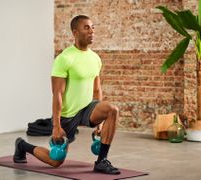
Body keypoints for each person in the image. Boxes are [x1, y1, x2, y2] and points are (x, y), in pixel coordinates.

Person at [13, 15, 120, 175]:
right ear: (75, 32)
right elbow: (57, 94)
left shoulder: (95, 58)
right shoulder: (64, 59)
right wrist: (56, 126)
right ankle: (22, 146)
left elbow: (97, 90)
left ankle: (101, 161)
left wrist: (100, 124)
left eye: (93, 27)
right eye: (87, 28)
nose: (92, 31)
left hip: (87, 109)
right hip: (67, 115)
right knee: (55, 160)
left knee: (112, 110)